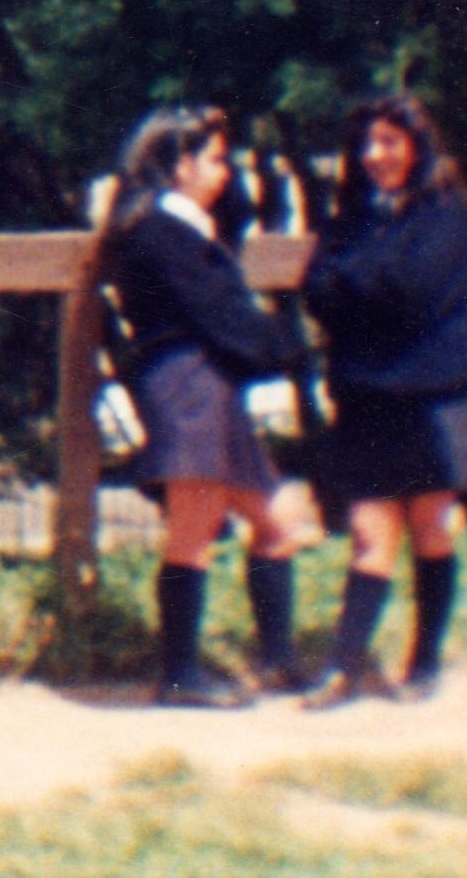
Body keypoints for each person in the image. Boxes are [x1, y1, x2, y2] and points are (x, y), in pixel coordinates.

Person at [98, 105, 314, 708]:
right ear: (179, 165)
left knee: (276, 526)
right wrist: (290, 348)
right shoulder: (160, 233)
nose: (226, 173)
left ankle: (275, 660)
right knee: (194, 529)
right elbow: (221, 316)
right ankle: (178, 676)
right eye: (216, 159)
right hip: (186, 387)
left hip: (210, 387)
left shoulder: (185, 228)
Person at [299, 93, 467, 707]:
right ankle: (343, 669)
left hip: (435, 395)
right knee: (368, 529)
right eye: (368, 144)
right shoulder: (349, 217)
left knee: (433, 526)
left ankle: (424, 660)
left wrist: (356, 285)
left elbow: (411, 293)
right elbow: (316, 290)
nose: (376, 155)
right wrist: (365, 286)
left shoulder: (447, 213)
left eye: (390, 141)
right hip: (367, 396)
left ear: (417, 144)